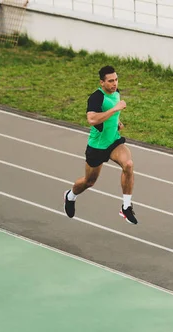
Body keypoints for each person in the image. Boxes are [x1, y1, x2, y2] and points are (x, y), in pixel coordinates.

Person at [63, 65, 138, 225]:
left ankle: (126, 206)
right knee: (89, 182)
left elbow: (111, 114)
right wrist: (115, 109)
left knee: (129, 165)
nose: (114, 84)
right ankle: (70, 196)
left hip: (113, 142)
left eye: (116, 80)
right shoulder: (96, 97)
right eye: (110, 81)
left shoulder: (116, 93)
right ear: (102, 82)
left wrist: (116, 121)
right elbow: (92, 119)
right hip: (97, 147)